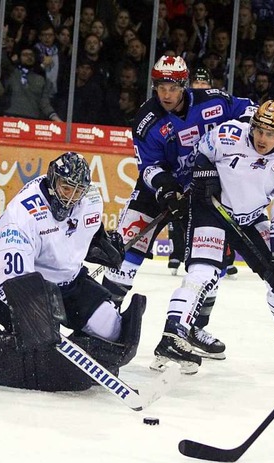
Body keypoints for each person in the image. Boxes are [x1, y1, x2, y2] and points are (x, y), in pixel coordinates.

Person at [0, 152, 146, 392]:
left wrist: (101, 243)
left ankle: (71, 354)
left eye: (78, 191)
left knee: (112, 331)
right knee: (38, 346)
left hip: (69, 283)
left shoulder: (90, 199)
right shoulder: (22, 217)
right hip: (17, 290)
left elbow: (83, 233)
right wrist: (35, 315)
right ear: (52, 180)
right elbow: (14, 279)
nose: (71, 199)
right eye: (67, 189)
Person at [101, 55, 255, 362]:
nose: (166, 94)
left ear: (184, 85)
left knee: (212, 262)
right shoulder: (148, 120)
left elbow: (250, 111)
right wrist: (167, 188)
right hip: (156, 192)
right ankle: (101, 320)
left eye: (172, 87)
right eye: (160, 87)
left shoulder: (214, 101)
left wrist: (239, 144)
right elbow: (147, 167)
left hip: (202, 191)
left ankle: (194, 328)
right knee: (126, 254)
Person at [151, 100, 274, 374]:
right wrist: (205, 175)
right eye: (259, 130)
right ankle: (173, 335)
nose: (262, 138)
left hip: (251, 218)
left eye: (271, 134)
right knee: (203, 274)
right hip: (212, 210)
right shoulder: (228, 134)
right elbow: (202, 152)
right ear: (253, 125)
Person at [167, 66, 239, 279]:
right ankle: (178, 253)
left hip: (212, 171)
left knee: (221, 212)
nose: (199, 87)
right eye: (195, 83)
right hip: (186, 169)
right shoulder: (183, 107)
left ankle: (224, 254)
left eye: (203, 83)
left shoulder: (216, 105)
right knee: (179, 210)